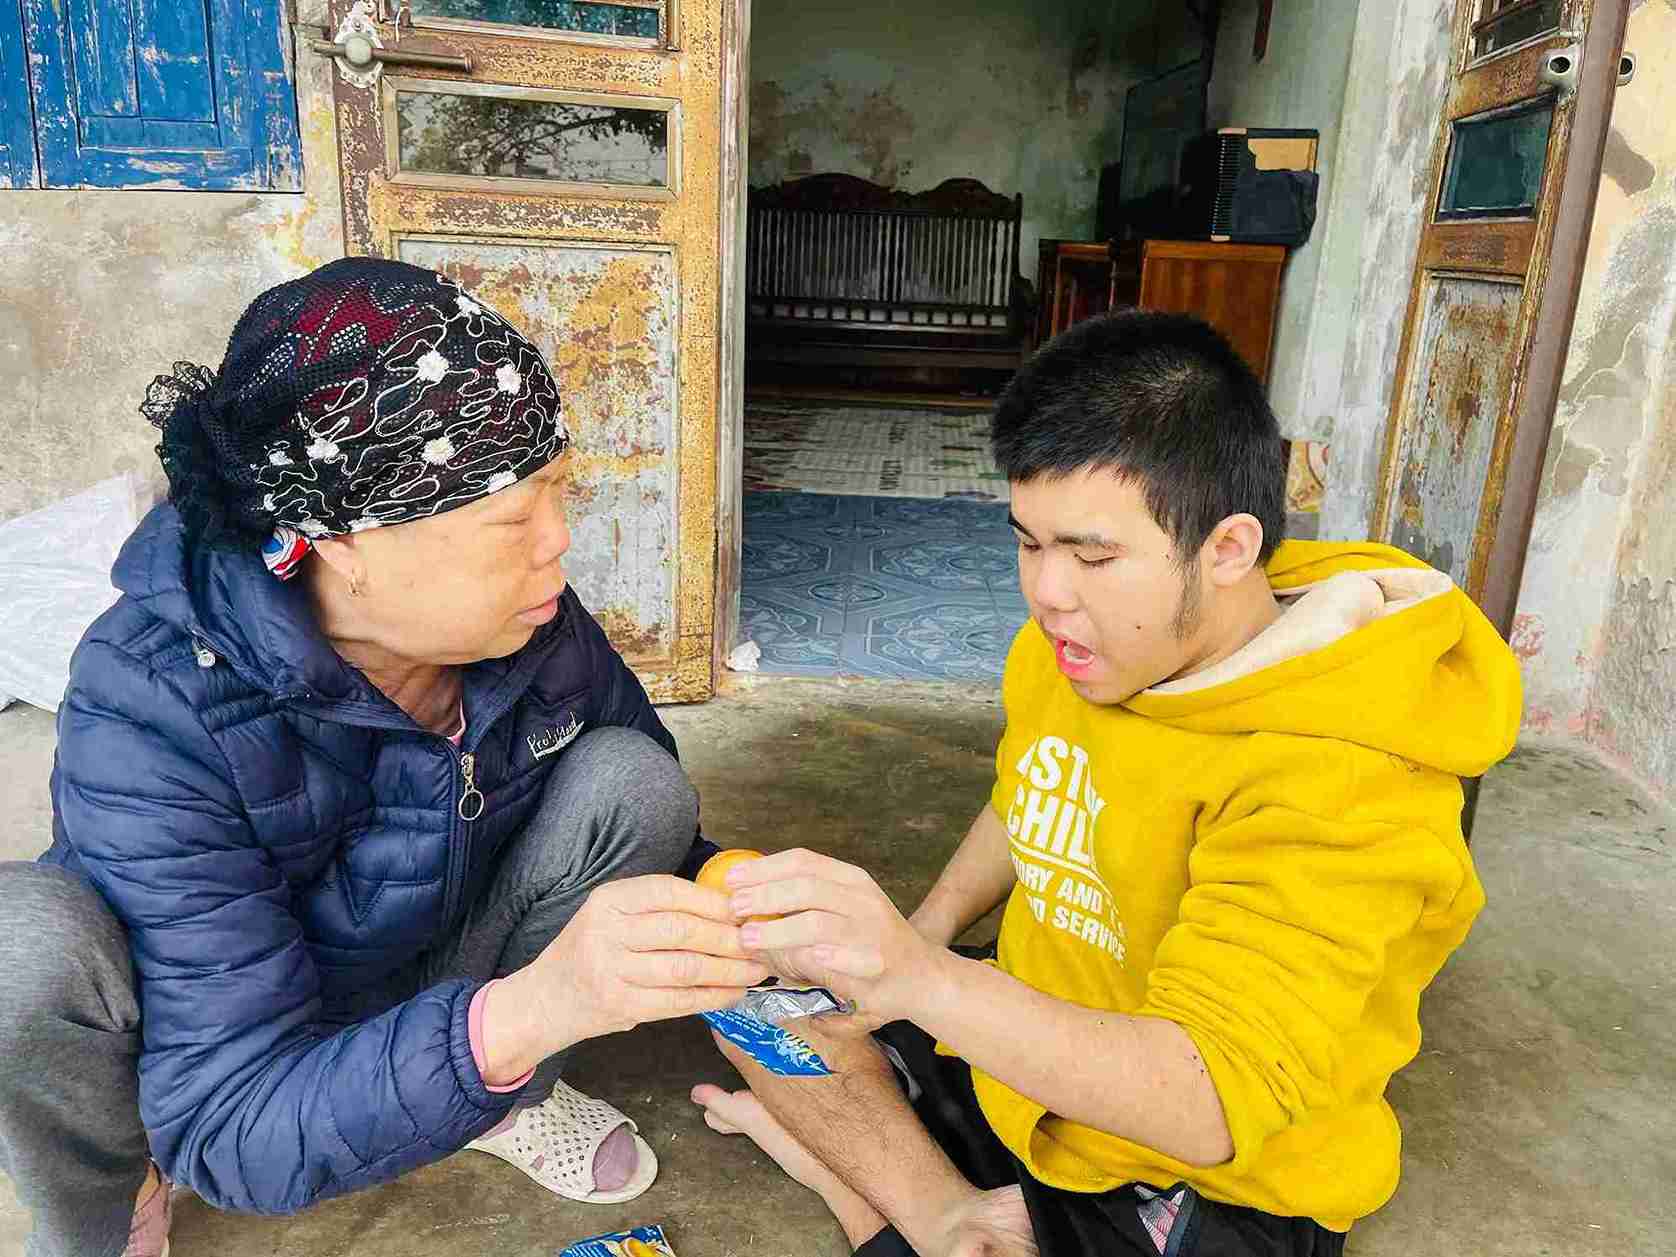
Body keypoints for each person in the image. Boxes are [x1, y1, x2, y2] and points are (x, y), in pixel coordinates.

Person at [690, 311, 1522, 1257]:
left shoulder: (1349, 772)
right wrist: (921, 936)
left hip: (1199, 1167)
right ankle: (941, 1213)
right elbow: (1033, 790)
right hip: (1018, 1062)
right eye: (1028, 542)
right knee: (751, 998)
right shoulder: (1083, 644)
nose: (1047, 593)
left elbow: (1211, 1097)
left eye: (1092, 556)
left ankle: (866, 1187)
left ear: (1227, 548)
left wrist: (921, 981)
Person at [0, 258, 767, 1257]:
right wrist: (536, 1006)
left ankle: (496, 1090)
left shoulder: (532, 623)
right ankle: (111, 1205)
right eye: (512, 518)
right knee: (22, 953)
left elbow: (657, 831)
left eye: (557, 493)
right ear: (343, 544)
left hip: (427, 962)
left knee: (635, 784)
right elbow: (231, 1127)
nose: (558, 542)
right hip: (219, 1028)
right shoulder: (149, 699)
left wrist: (740, 896)